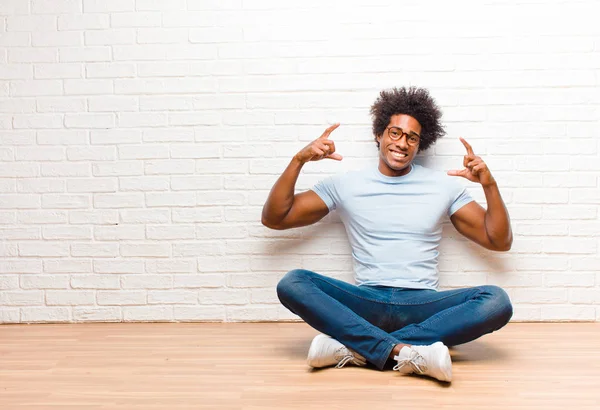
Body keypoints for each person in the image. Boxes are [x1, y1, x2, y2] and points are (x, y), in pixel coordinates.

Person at [261, 87, 513, 383]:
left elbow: (499, 240)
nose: (402, 143)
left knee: (496, 301)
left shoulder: (443, 187)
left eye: (412, 137)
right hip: (366, 302)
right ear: (379, 134)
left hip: (421, 306)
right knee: (293, 282)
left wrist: (489, 185)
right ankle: (405, 352)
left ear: (420, 144)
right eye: (395, 133)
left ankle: (357, 347)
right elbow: (275, 218)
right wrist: (298, 160)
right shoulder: (346, 184)